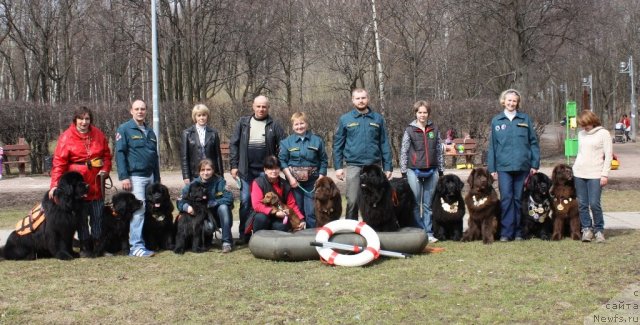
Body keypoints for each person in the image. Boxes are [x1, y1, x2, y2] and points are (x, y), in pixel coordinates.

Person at [49, 106, 112, 257]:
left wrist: (105, 170)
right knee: (81, 218)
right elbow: (59, 163)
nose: (84, 122)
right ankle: (85, 247)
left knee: (97, 216)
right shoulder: (66, 137)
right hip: (77, 187)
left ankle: (98, 246)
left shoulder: (98, 134)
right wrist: (54, 186)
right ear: (75, 120)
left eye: (87, 119)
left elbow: (106, 156)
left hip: (96, 183)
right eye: (81, 119)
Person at [229, 95, 286, 241]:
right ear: (253, 106)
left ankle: (264, 232)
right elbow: (234, 144)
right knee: (246, 201)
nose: (261, 109)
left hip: (265, 173)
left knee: (266, 202)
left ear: (268, 107)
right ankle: (244, 234)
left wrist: (276, 164)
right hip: (246, 171)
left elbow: (283, 145)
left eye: (264, 106)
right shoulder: (243, 123)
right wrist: (234, 165)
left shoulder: (274, 124)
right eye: (258, 106)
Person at [487, 89, 540, 242]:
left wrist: (534, 164)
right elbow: (493, 147)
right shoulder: (497, 121)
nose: (511, 103)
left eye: (514, 101)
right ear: (503, 101)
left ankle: (518, 232)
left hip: (522, 166)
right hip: (503, 168)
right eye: (509, 100)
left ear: (518, 103)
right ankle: (506, 233)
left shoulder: (525, 119)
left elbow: (533, 143)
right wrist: (492, 168)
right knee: (506, 199)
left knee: (518, 199)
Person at [333, 88, 393, 220]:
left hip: (373, 166)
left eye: (363, 98)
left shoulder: (378, 119)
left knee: (375, 200)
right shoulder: (345, 119)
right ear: (353, 100)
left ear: (368, 99)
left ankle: (374, 229)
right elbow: (338, 145)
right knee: (353, 200)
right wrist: (338, 167)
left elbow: (384, 143)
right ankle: (351, 230)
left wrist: (388, 166)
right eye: (358, 98)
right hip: (354, 165)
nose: (361, 101)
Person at [115, 99, 161, 257]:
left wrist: (157, 181)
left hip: (150, 176)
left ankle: (147, 242)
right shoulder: (125, 129)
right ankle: (135, 247)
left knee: (148, 211)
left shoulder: (150, 132)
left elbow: (154, 157)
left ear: (146, 111)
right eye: (137, 109)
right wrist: (124, 177)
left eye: (143, 109)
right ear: (131, 111)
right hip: (135, 177)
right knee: (138, 211)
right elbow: (120, 154)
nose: (140, 111)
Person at [399, 101, 444, 243]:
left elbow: (439, 150)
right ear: (415, 113)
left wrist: (441, 169)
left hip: (432, 169)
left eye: (425, 112)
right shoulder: (409, 130)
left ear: (428, 114)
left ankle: (429, 232)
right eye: (420, 112)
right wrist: (403, 171)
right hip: (414, 170)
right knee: (415, 202)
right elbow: (404, 151)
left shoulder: (434, 129)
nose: (422, 115)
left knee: (428, 204)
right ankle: (418, 231)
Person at [279, 112, 328, 228]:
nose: (299, 126)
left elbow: (324, 160)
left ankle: (311, 237)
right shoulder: (286, 142)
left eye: (302, 123)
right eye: (296, 124)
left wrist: (321, 178)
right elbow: (282, 161)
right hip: (295, 183)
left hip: (312, 183)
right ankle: (298, 238)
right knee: (297, 210)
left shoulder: (317, 141)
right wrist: (290, 179)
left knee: (311, 211)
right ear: (292, 126)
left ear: (306, 124)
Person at [177, 159, 234, 252]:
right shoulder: (192, 184)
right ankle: (204, 241)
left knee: (224, 207)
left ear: (213, 170)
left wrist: (213, 203)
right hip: (201, 217)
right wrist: (186, 207)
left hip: (216, 214)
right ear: (199, 171)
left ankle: (226, 242)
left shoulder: (220, 182)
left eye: (208, 169)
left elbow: (229, 198)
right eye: (202, 170)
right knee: (208, 228)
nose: (205, 173)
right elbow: (180, 200)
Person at [574, 110, 613, 243]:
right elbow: (580, 153)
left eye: (586, 124)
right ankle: (586, 229)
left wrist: (604, 174)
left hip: (596, 174)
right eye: (582, 124)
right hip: (579, 173)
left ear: (592, 121)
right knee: (582, 204)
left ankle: (599, 230)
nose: (584, 127)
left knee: (594, 203)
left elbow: (608, 156)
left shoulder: (604, 133)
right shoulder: (581, 134)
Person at [248, 155, 305, 234]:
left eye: (276, 168)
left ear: (279, 169)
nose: (274, 171)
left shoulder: (285, 184)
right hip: (263, 214)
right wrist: (275, 212)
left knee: (283, 226)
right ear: (265, 170)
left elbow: (292, 204)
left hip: (279, 217)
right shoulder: (257, 182)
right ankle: (259, 241)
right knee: (261, 218)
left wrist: (301, 220)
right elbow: (257, 205)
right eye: (270, 168)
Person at [180, 104, 224, 184]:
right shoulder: (187, 133)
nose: (201, 118)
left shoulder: (213, 133)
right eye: (199, 115)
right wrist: (186, 176)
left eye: (204, 115)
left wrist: (221, 175)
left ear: (207, 116)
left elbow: (218, 156)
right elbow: (184, 157)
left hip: (211, 172)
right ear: (195, 117)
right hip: (195, 173)